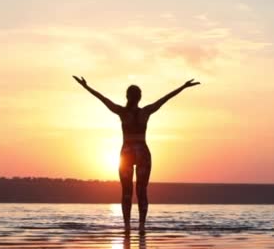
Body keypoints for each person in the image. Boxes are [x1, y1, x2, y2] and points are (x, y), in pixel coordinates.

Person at [73, 76, 200, 233]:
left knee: (127, 191)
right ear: (139, 97)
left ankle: (127, 226)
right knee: (142, 191)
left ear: (127, 96)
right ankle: (141, 226)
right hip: (142, 152)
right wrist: (183, 86)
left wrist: (86, 87)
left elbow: (103, 99)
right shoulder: (144, 112)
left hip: (127, 152)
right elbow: (164, 99)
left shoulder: (123, 112)